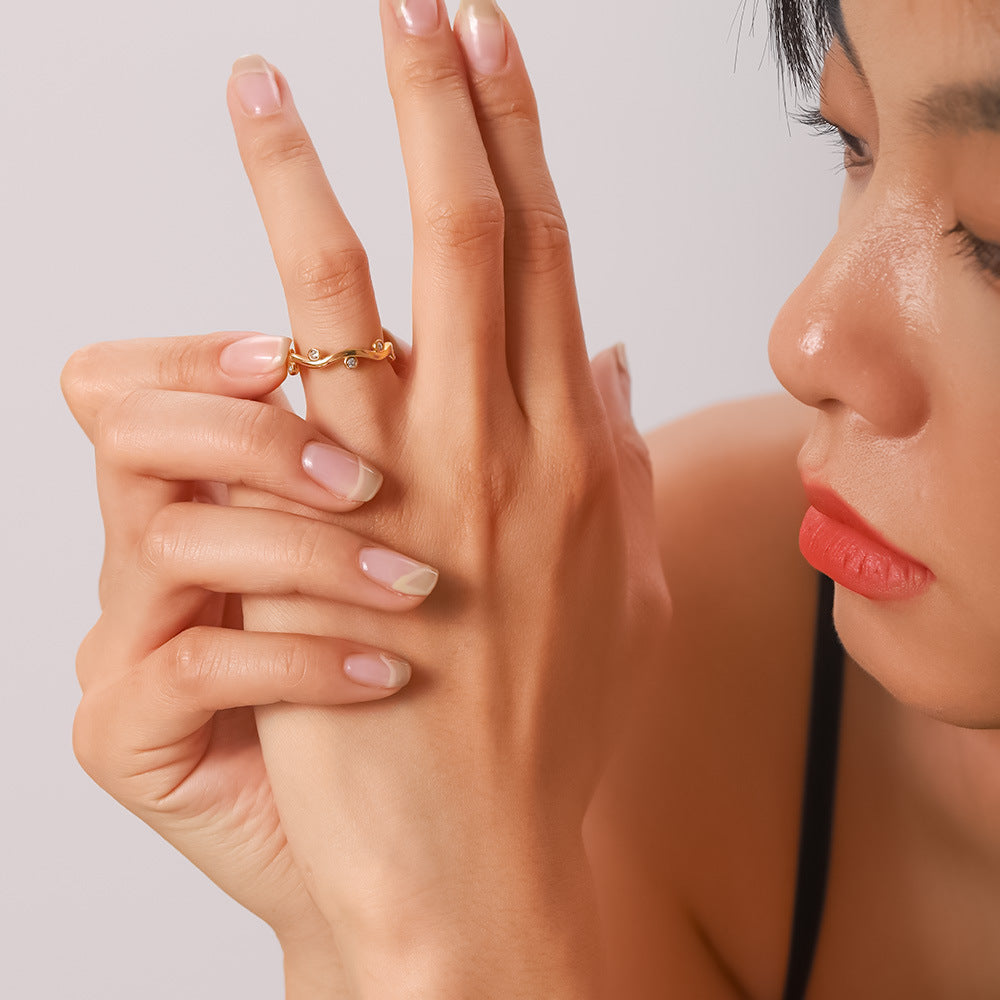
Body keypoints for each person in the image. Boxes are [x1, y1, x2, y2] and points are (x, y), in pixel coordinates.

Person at [59, 0, 1000, 995]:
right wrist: (367, 903)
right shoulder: (654, 666)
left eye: (990, 239)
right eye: (852, 140)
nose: (802, 342)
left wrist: (432, 937)